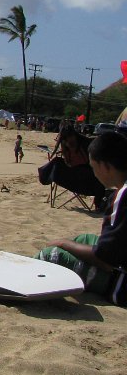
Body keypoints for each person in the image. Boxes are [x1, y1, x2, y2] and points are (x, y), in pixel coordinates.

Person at [36, 131, 127, 306]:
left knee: (53, 254)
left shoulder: (123, 196)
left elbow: (106, 261)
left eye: (93, 167)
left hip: (122, 285)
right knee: (83, 239)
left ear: (105, 166)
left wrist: (63, 244)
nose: (93, 173)